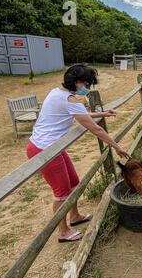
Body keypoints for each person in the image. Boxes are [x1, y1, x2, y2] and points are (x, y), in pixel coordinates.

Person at [26, 64, 130, 243]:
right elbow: (95, 129)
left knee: (73, 183)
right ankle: (63, 231)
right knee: (61, 192)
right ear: (76, 82)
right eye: (87, 84)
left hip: (53, 147)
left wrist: (103, 113)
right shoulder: (70, 100)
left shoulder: (58, 93)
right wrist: (116, 146)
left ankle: (74, 216)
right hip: (45, 149)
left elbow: (80, 113)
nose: (88, 89)